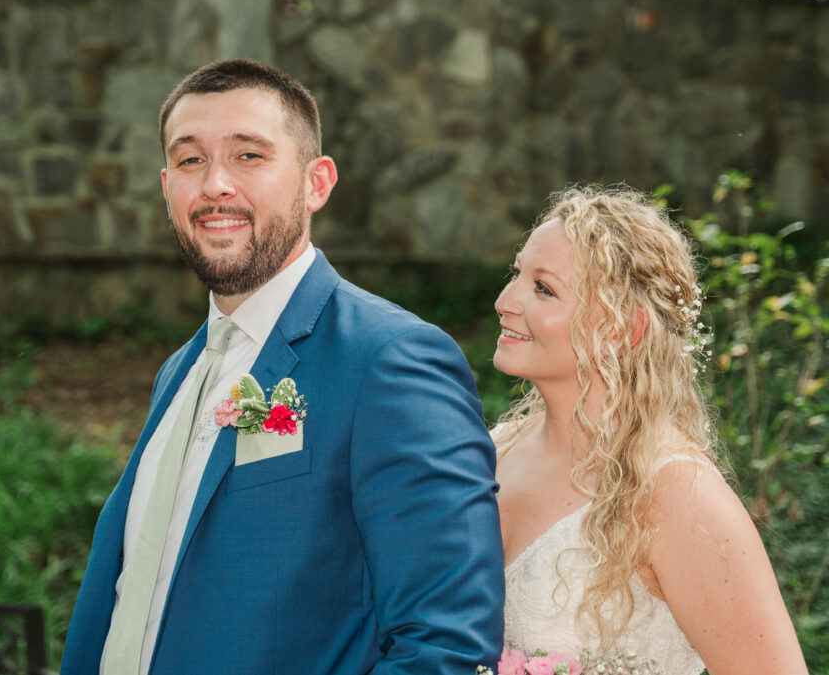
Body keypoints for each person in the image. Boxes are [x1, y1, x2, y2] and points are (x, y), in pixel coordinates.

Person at [60, 58, 504, 675]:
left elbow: (446, 645)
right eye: (190, 160)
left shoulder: (390, 360)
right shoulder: (178, 373)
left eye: (248, 156)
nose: (215, 183)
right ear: (167, 188)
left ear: (316, 183)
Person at [492, 186, 809, 674]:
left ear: (622, 330)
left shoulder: (677, 493)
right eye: (516, 273)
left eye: (543, 288)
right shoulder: (491, 453)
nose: (504, 301)